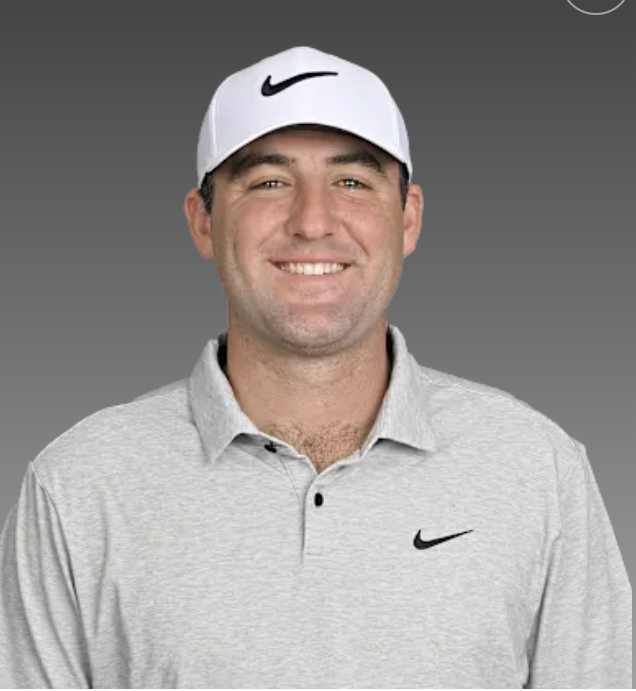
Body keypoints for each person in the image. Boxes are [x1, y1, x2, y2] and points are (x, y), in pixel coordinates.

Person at [0, 46, 630, 689]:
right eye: (268, 182)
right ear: (203, 222)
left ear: (408, 218)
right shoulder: (79, 487)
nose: (312, 221)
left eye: (351, 181)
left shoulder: (537, 470)